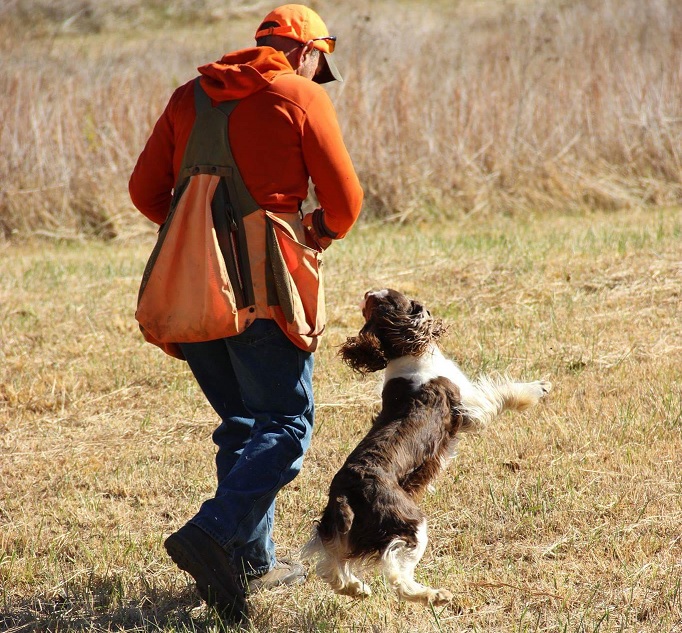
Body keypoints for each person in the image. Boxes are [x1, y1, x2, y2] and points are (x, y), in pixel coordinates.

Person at [128, 4, 363, 622]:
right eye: (319, 64)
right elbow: (345, 202)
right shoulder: (299, 95)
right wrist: (311, 230)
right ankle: (212, 531)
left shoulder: (190, 96)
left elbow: (143, 192)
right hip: (266, 289)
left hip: (191, 292)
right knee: (285, 423)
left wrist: (196, 236)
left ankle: (249, 562)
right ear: (310, 52)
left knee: (242, 421)